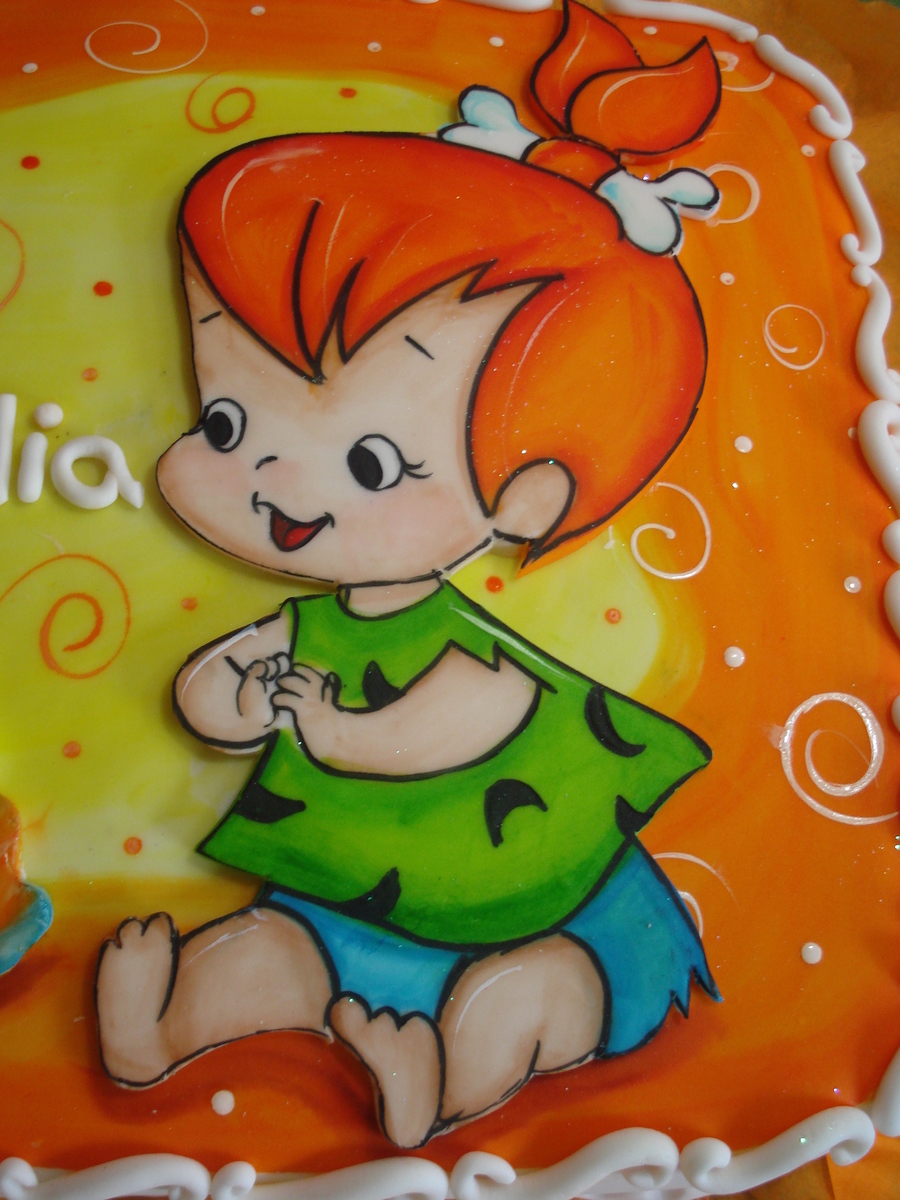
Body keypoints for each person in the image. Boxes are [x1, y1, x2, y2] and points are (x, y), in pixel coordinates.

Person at [96, 1, 722, 1147]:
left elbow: (464, 716)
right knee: (274, 953)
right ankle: (166, 1026)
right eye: (228, 424)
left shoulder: (470, 645)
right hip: (345, 900)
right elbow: (213, 695)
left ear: (526, 496)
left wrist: (337, 732)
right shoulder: (315, 624)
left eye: (372, 462)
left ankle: (450, 1079)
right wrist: (231, 697)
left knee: (533, 997)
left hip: (537, 903)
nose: (273, 482)